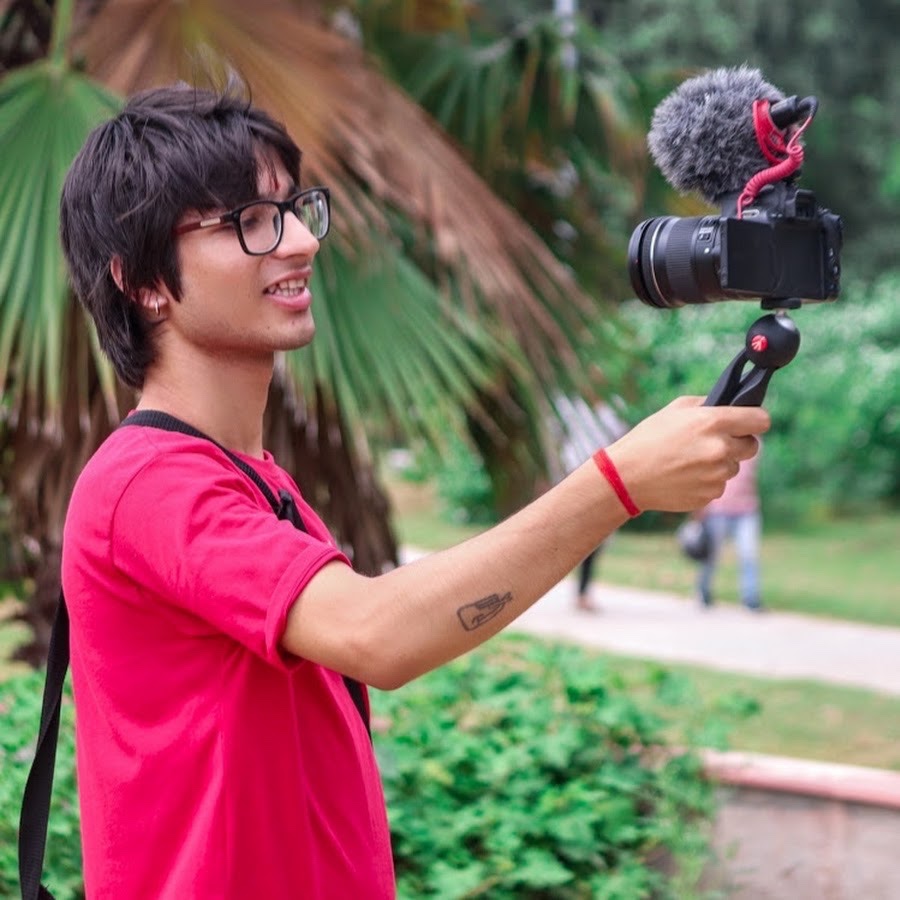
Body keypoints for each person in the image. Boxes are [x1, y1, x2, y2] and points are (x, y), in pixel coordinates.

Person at [57, 81, 769, 898]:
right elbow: (374, 633)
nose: (300, 242)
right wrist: (618, 483)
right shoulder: (148, 483)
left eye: (293, 210)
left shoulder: (255, 482)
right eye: (249, 221)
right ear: (143, 280)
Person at [550, 393, 630, 611]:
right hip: (573, 474)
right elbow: (554, 439)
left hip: (602, 480)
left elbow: (622, 440)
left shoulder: (612, 409)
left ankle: (582, 592)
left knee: (594, 538)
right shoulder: (568, 406)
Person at [696, 447, 763, 611]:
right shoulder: (719, 442)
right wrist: (701, 508)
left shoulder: (755, 444)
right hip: (718, 508)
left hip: (747, 508)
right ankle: (704, 590)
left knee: (749, 554)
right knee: (711, 554)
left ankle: (751, 598)